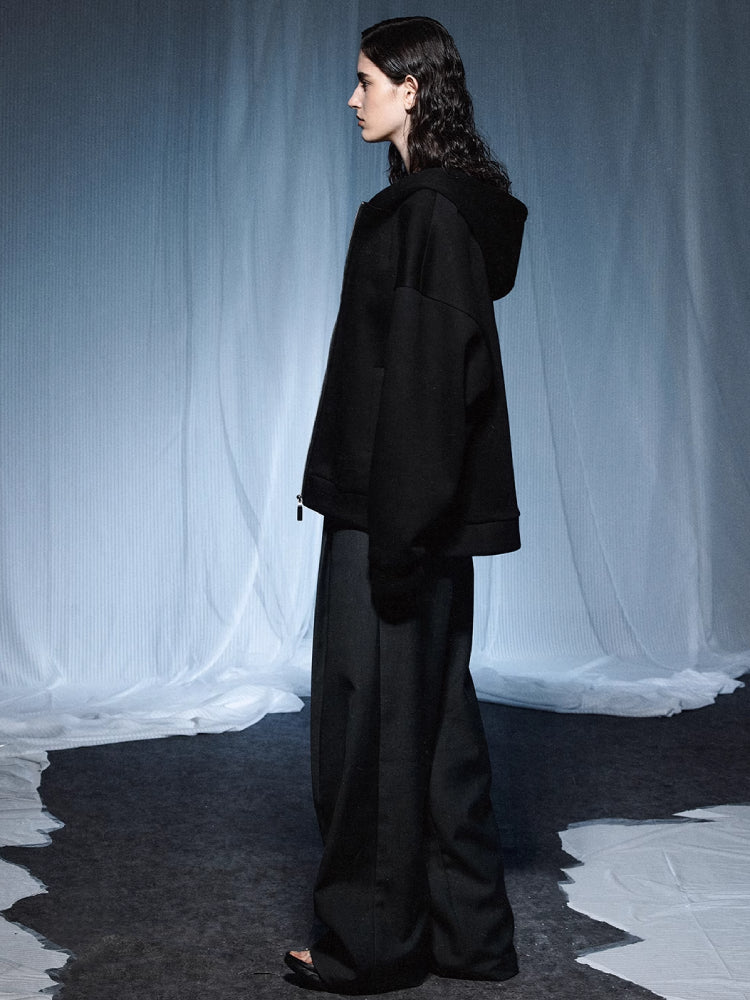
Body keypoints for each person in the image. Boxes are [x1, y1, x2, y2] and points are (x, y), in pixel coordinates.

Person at [286, 16, 527, 995]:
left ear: (412, 90)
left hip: (391, 517)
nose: (354, 98)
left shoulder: (423, 217)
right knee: (438, 723)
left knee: (370, 730)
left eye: (366, 80)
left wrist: (395, 536)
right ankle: (469, 937)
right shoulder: (447, 210)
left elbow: (428, 386)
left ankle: (370, 946)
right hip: (417, 515)